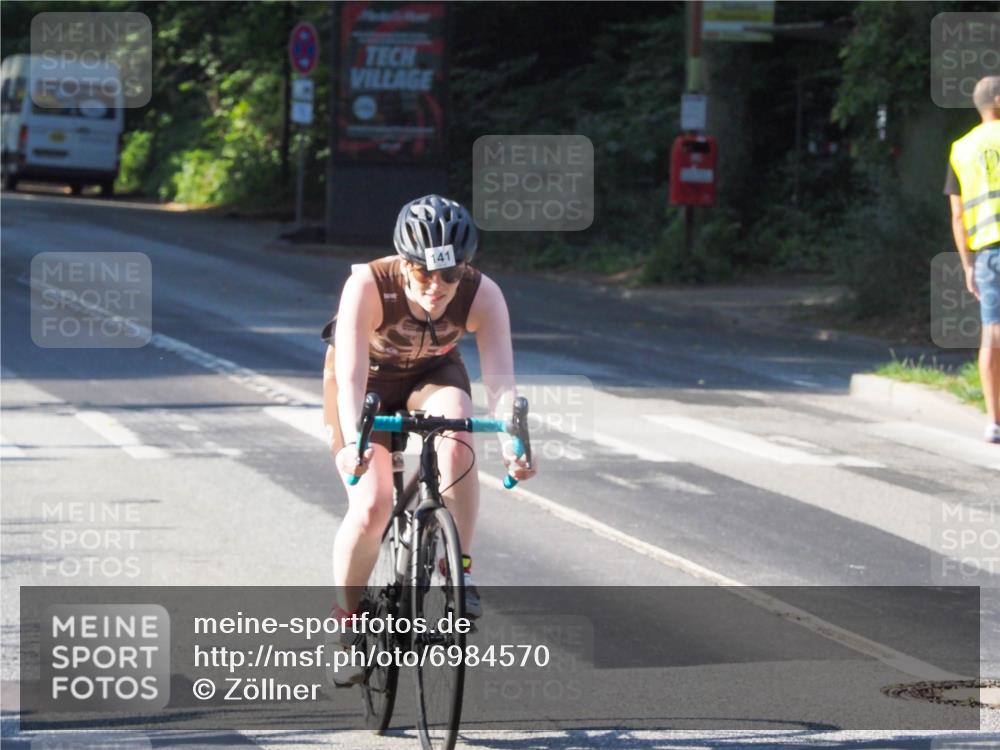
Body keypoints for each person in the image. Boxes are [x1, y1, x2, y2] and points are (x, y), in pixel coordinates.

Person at [321, 194, 537, 683]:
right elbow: (352, 380)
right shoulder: (368, 285)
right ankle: (350, 627)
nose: (437, 287)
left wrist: (513, 445)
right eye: (423, 273)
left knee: (459, 422)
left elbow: (501, 385)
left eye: (451, 274)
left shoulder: (484, 294)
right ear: (404, 262)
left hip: (432, 374)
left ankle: (455, 566)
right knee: (372, 504)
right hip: (368, 384)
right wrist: (354, 446)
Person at [944, 76, 1000, 444]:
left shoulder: (960, 149)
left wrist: (966, 264)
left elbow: (958, 215)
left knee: (992, 334)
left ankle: (994, 421)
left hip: (988, 253)